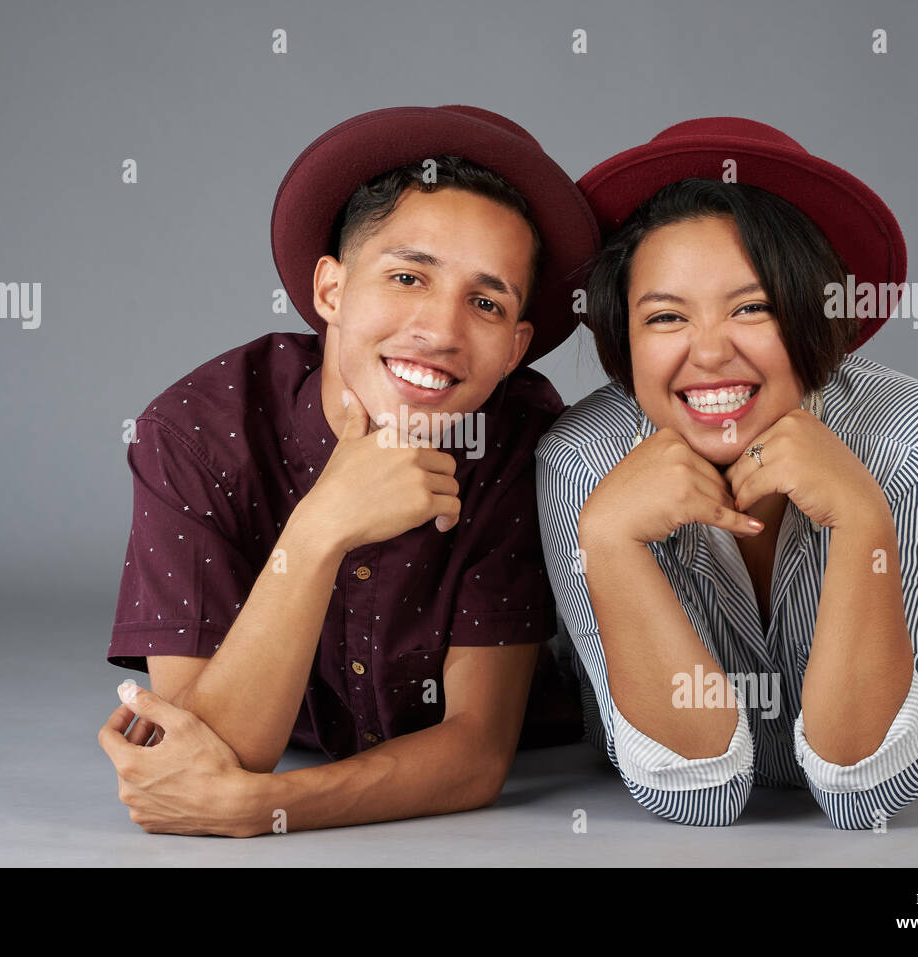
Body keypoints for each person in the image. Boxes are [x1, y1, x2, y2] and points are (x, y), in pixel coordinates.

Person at [97, 105, 600, 836]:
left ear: (516, 345)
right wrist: (319, 528)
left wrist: (262, 807)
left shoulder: (522, 441)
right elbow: (207, 750)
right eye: (406, 276)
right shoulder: (194, 434)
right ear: (330, 290)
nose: (439, 331)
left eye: (485, 302)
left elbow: (476, 754)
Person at [536, 117, 918, 829]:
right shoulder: (580, 461)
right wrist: (606, 536)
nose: (711, 352)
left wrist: (861, 516)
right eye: (665, 317)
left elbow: (866, 795)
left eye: (752, 307)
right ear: (621, 337)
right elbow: (696, 794)